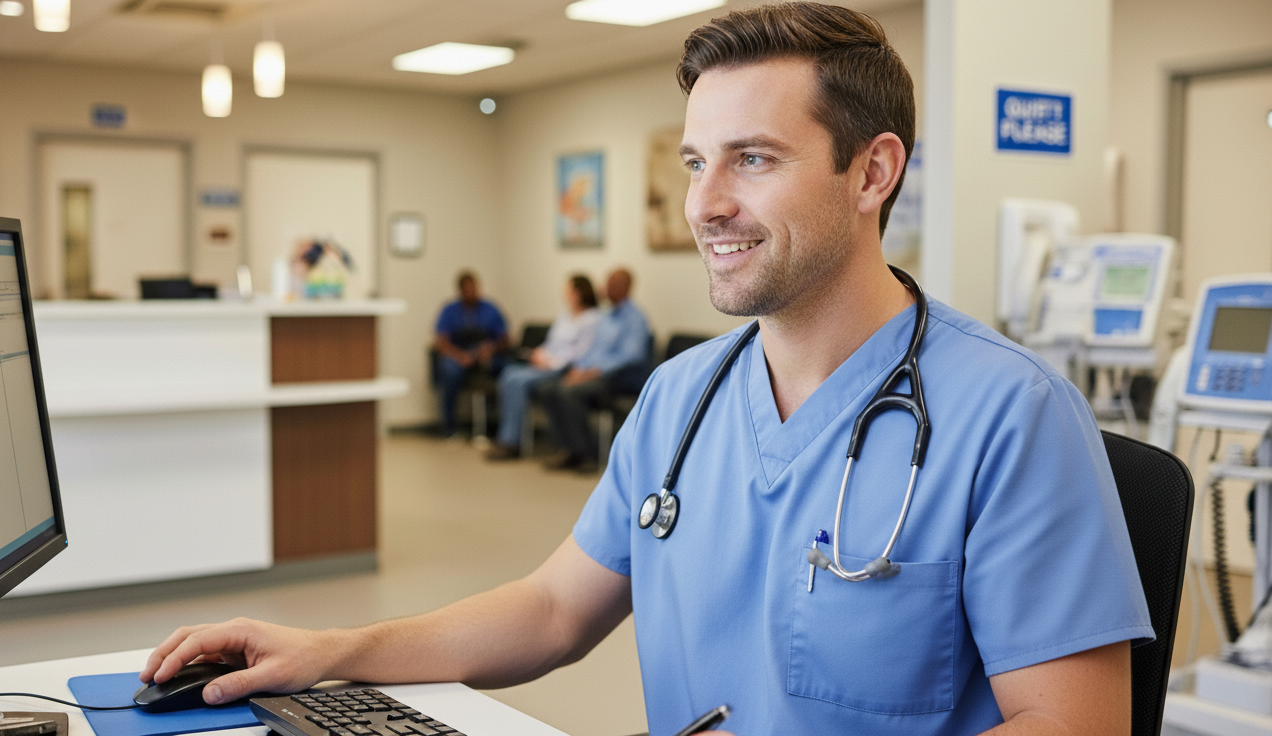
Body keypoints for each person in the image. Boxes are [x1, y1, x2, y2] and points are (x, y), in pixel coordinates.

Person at [139, 5, 1152, 735]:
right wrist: (330, 650)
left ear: (872, 172)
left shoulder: (1011, 418)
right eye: (693, 162)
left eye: (750, 159)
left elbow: (1077, 724)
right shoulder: (681, 397)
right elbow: (551, 610)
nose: (703, 203)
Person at [534, 268, 652, 471]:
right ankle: (567, 449)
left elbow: (630, 356)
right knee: (548, 389)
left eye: (615, 284)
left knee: (568, 392)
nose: (609, 288)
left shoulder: (634, 318)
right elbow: (592, 350)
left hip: (618, 378)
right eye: (608, 283)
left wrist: (591, 372)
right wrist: (578, 370)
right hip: (592, 372)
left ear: (627, 288)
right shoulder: (605, 316)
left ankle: (586, 454)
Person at [484, 274, 601, 461]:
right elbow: (551, 343)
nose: (565, 294)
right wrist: (538, 354)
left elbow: (581, 352)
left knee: (517, 380)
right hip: (546, 363)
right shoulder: (565, 316)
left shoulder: (592, 319)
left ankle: (511, 441)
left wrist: (551, 361)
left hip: (563, 367)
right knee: (508, 373)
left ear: (579, 293)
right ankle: (507, 437)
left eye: (568, 290)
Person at [432, 271, 509, 439]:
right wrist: (459, 356)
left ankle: (500, 428)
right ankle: (450, 429)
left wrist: (491, 349)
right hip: (458, 357)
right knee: (449, 370)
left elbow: (505, 339)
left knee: (507, 371)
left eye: (474, 288)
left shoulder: (491, 309)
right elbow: (440, 341)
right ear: (460, 291)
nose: (472, 292)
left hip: (487, 356)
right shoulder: (449, 310)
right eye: (467, 289)